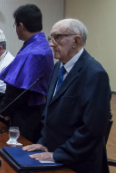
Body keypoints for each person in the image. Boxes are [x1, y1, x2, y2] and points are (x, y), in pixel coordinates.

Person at [22, 19, 111, 173]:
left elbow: (92, 129)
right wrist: (44, 141)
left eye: (57, 37)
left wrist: (59, 154)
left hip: (79, 164)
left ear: (76, 41)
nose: (51, 44)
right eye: (51, 38)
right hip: (54, 155)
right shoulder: (58, 67)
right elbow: (49, 113)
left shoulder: (95, 74)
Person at [0, 4, 54, 143]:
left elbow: (18, 89)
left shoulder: (33, 52)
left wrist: (4, 111)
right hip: (32, 109)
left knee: (20, 148)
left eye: (15, 25)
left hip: (27, 114)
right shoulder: (39, 45)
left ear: (21, 26)